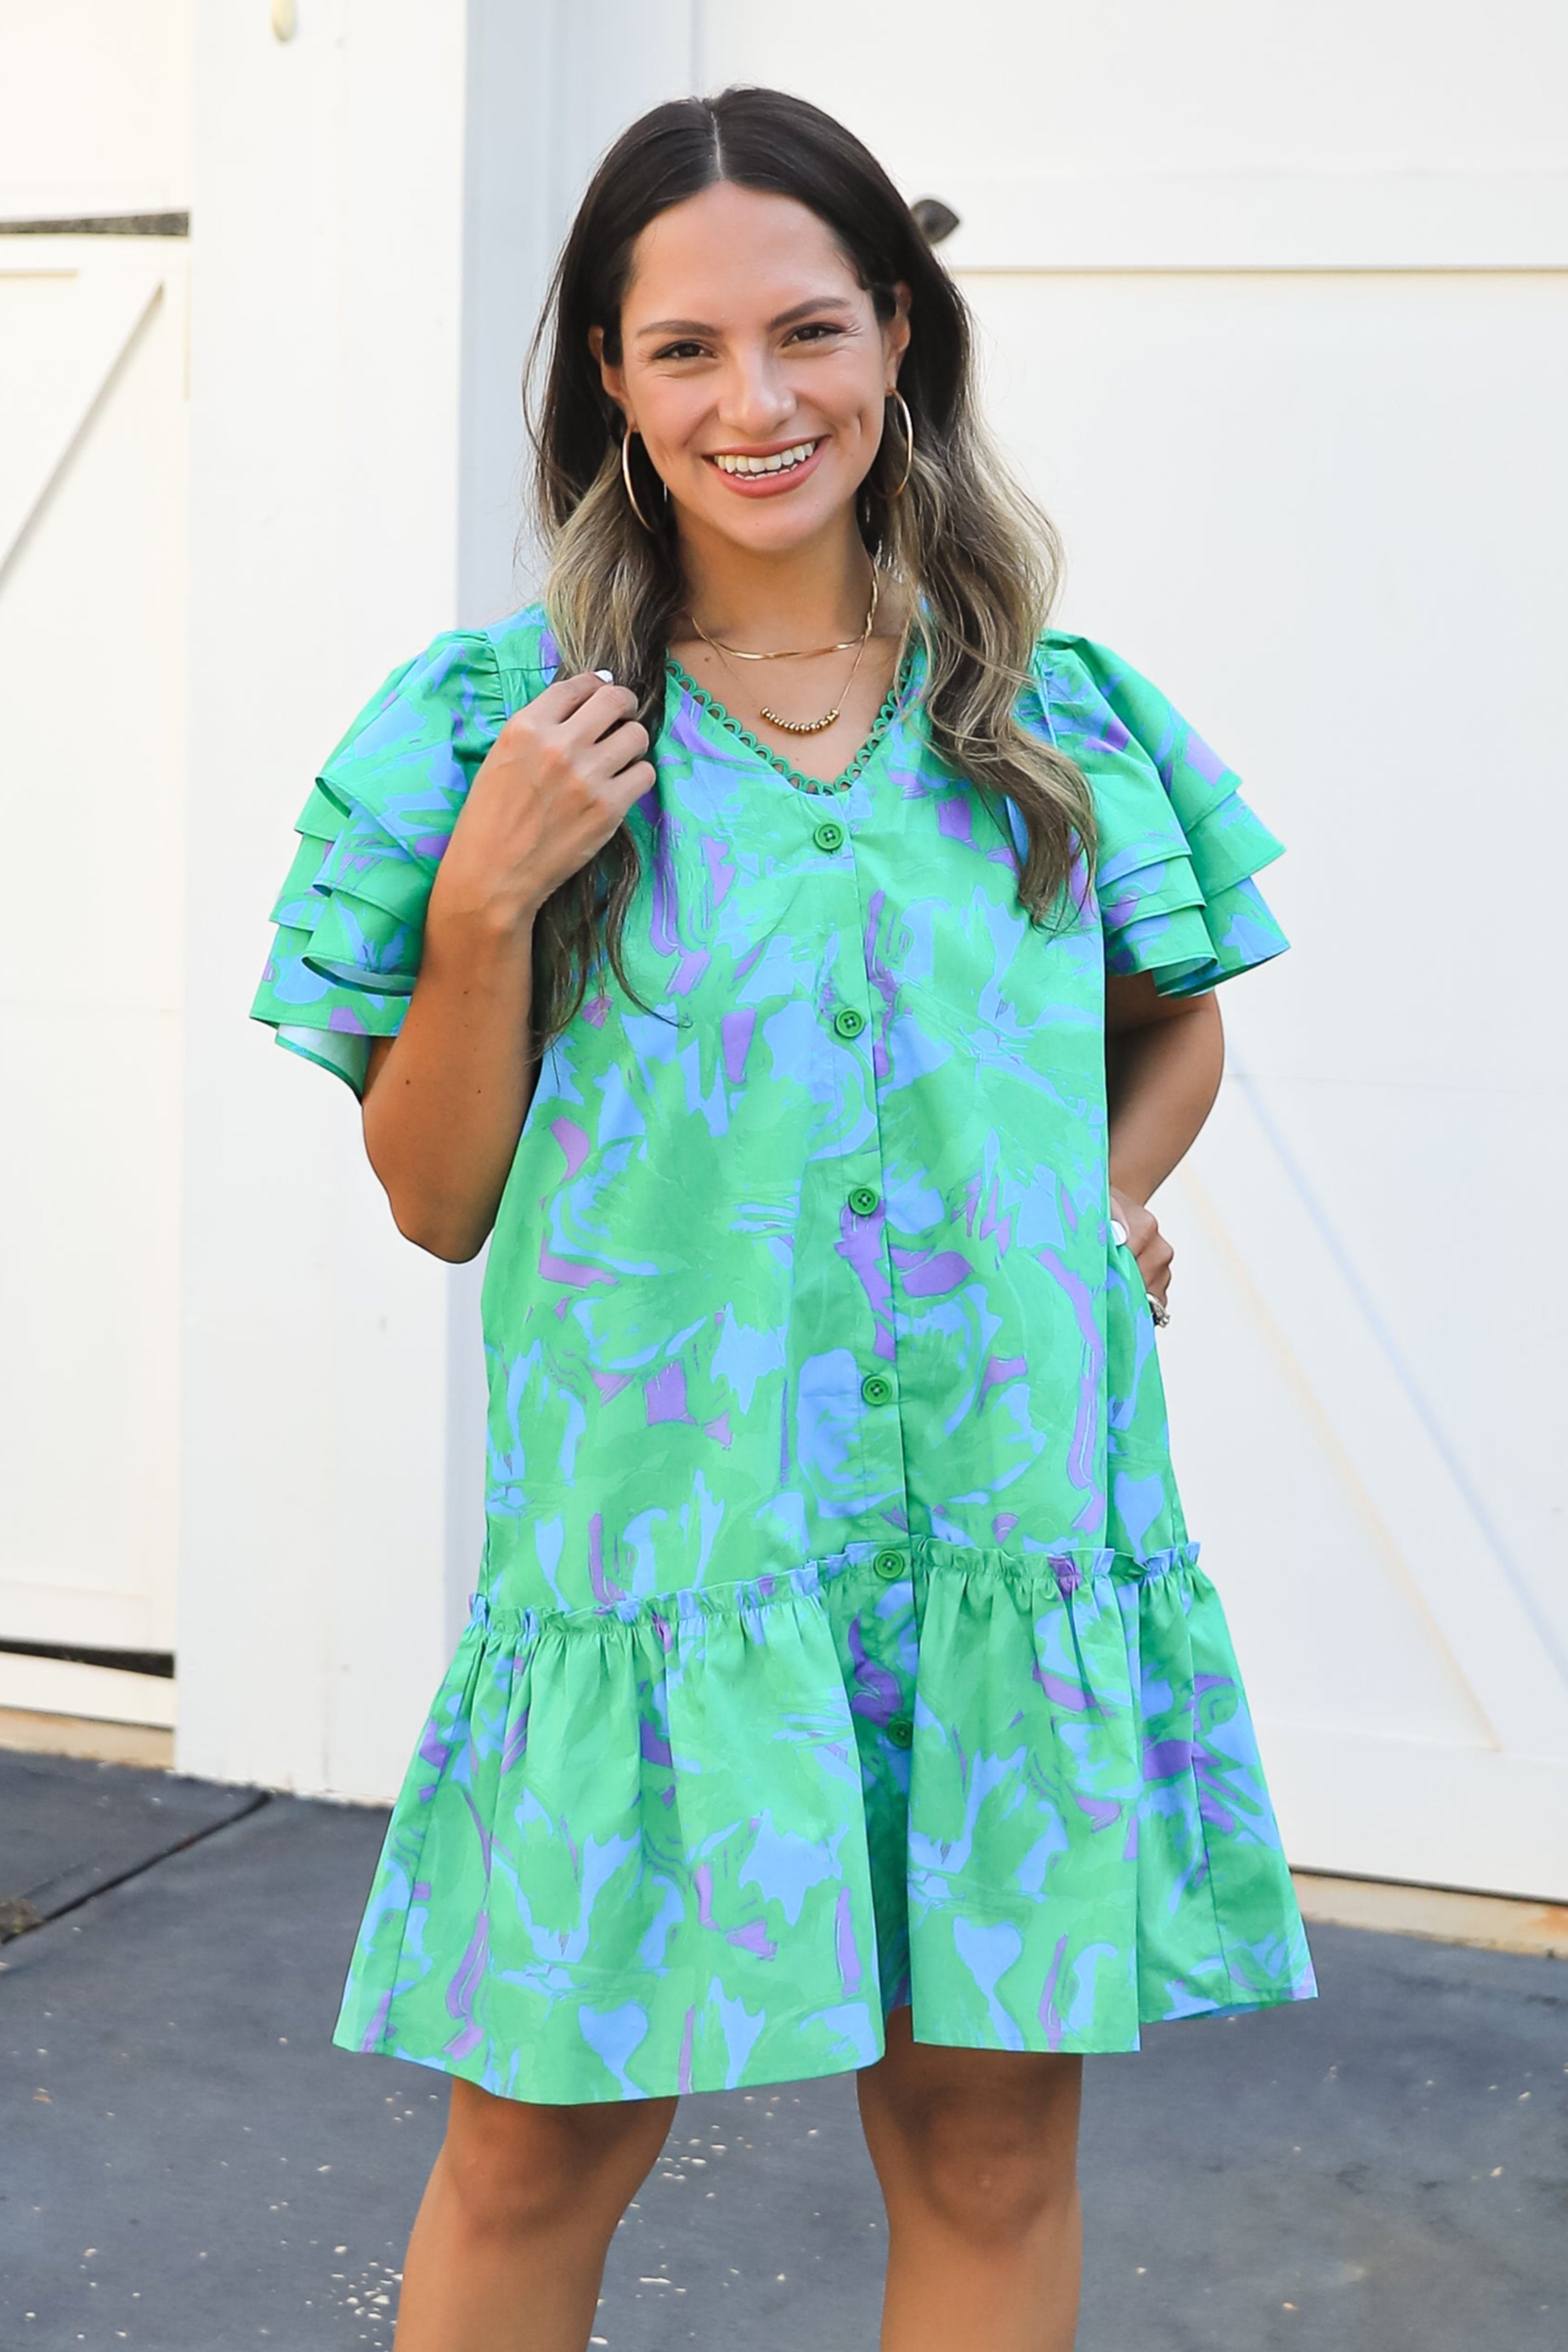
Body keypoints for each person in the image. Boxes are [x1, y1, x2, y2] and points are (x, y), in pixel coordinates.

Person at [252, 84, 1315, 2352]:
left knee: (988, 2151)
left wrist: (1106, 1193)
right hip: (667, 1550)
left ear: (898, 334)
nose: (758, 402)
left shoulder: (1048, 720)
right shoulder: (488, 737)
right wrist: (482, 906)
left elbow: (1169, 1024)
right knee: (534, 2148)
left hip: (1000, 1534)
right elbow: (435, 1199)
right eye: (686, 350)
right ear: (610, 384)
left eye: (809, 331)